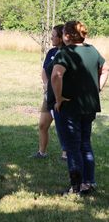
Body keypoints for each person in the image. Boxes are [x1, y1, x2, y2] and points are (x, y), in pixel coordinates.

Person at [51, 21, 109, 195]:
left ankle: (76, 187)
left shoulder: (66, 52)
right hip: (89, 105)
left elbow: (56, 75)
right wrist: (97, 87)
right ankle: (89, 182)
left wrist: (59, 97)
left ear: (68, 36)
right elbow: (105, 69)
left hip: (71, 106)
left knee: (73, 147)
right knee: (85, 143)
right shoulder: (92, 50)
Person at [33, 25, 66, 159]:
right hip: (49, 96)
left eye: (53, 35)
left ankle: (66, 154)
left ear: (61, 38)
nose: (51, 38)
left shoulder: (68, 53)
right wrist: (47, 85)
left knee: (63, 126)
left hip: (62, 96)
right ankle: (42, 152)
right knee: (42, 125)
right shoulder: (51, 52)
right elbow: (44, 71)